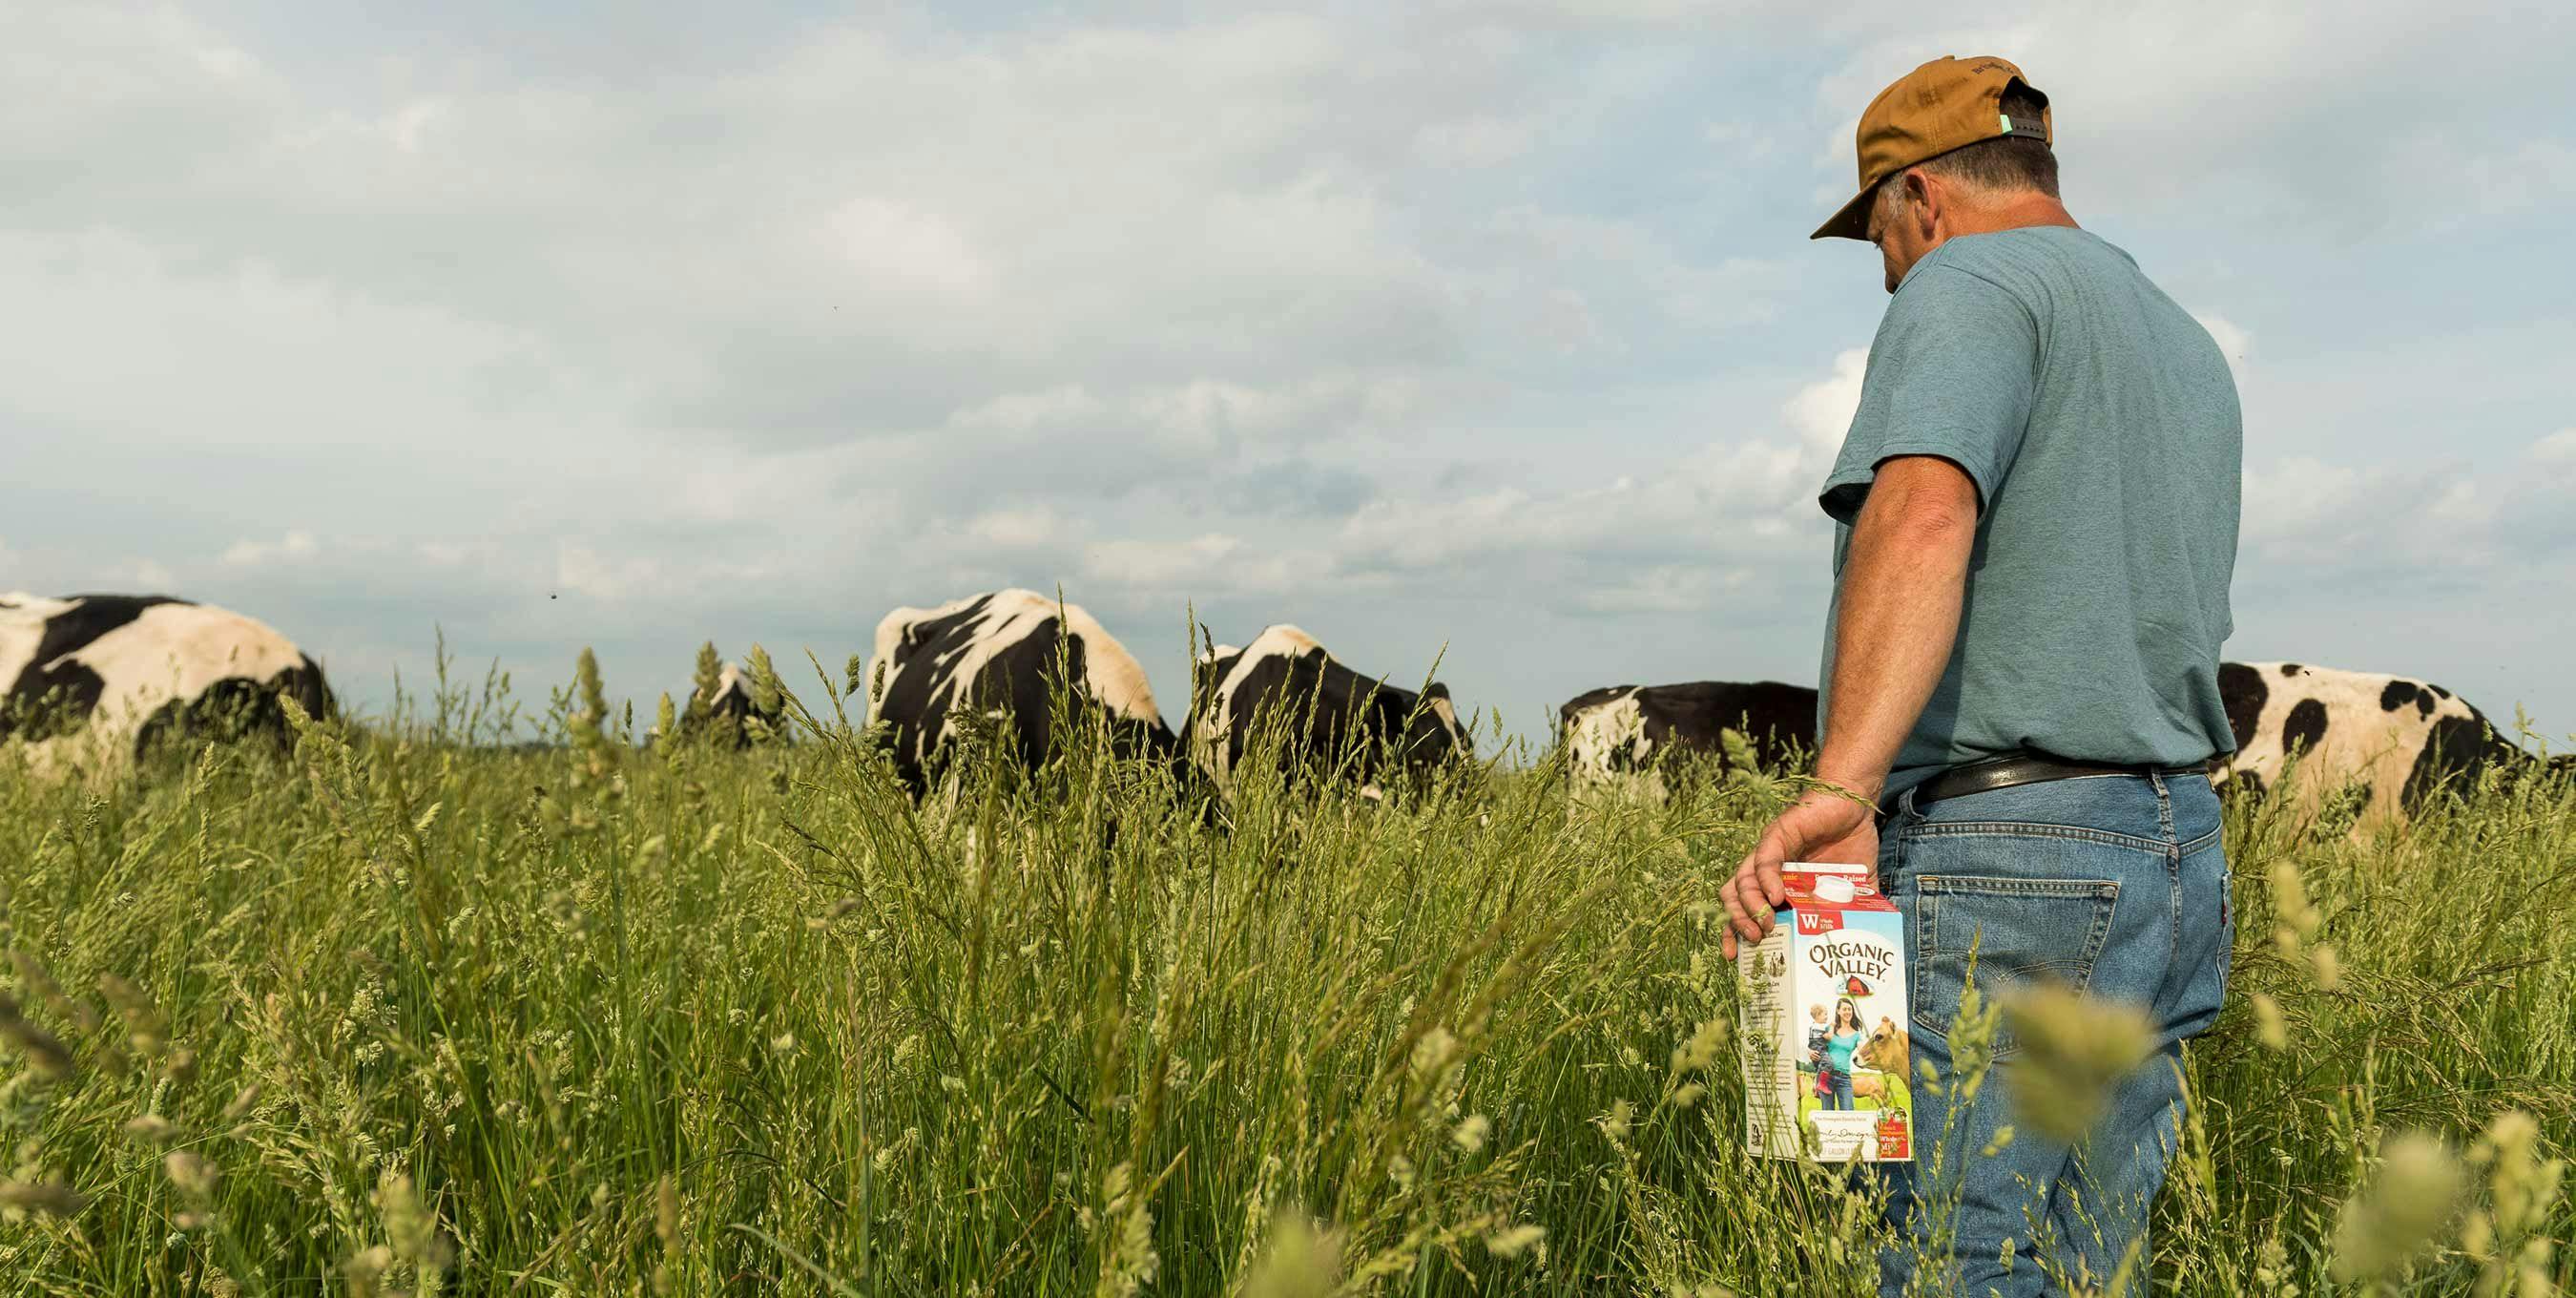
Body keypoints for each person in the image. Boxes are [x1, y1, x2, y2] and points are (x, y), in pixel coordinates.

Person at [1714, 55, 2241, 1297]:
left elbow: (1924, 515)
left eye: (1878, 237)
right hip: (2171, 855)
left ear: (1922, 199)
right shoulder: (2178, 334)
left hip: (2004, 855)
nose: (1886, 269)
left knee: (1947, 1250)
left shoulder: (1964, 285)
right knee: (2092, 1258)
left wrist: (1842, 792)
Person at [1818, 996, 1864, 1112]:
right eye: (1844, 1009)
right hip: (1826, 1076)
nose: (1848, 1012)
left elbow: (1863, 1051)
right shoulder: (1830, 1028)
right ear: (1838, 1011)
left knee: (1848, 1113)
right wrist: (1810, 1052)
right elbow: (1815, 1043)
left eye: (1850, 1009)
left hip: (1844, 1078)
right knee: (1827, 1114)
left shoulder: (1856, 1035)